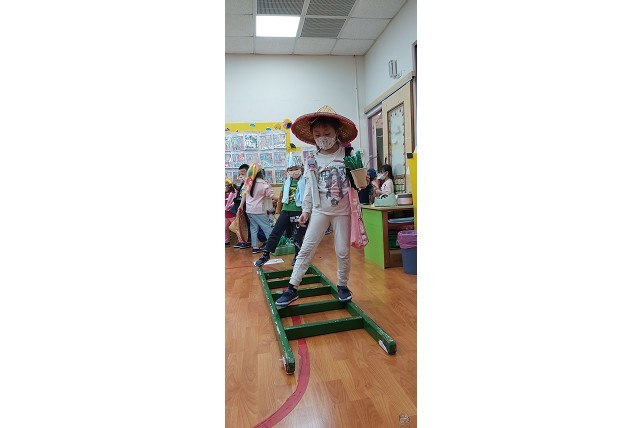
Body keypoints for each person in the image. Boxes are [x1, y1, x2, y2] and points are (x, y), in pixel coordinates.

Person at [275, 105, 359, 307]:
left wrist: (361, 179)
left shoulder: (348, 154)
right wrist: (306, 210)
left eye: (327, 133)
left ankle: (343, 286)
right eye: (317, 134)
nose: (322, 138)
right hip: (320, 210)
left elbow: (359, 182)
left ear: (337, 132)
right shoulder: (312, 160)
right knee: (306, 249)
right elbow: (309, 188)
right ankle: (292, 287)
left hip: (343, 212)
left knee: (342, 251)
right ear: (312, 136)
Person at [253, 153, 308, 268]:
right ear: (287, 171)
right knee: (275, 232)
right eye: (291, 169)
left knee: (297, 235)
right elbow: (282, 198)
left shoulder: (306, 182)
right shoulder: (287, 183)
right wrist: (278, 211)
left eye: (296, 169)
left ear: (301, 169)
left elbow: (308, 197)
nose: (294, 171)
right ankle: (266, 254)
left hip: (298, 211)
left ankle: (297, 256)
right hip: (286, 210)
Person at [239, 164, 278, 254]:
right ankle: (271, 248)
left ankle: (255, 247)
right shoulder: (263, 184)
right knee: (267, 228)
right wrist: (280, 199)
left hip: (249, 210)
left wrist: (241, 206)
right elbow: (271, 196)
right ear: (261, 173)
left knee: (253, 228)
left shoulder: (248, 182)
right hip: (259, 210)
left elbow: (244, 195)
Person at [230, 164, 267, 248]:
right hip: (245, 206)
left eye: (243, 174)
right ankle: (248, 240)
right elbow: (242, 194)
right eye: (239, 174)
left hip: (253, 207)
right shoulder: (244, 183)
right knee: (247, 224)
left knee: (256, 224)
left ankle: (265, 240)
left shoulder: (254, 183)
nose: (241, 176)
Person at [225, 178, 240, 247]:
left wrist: (229, 206)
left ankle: (241, 241)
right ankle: (226, 242)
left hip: (232, 213)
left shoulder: (234, 193)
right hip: (226, 214)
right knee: (224, 228)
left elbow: (234, 202)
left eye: (226, 185)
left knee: (236, 228)